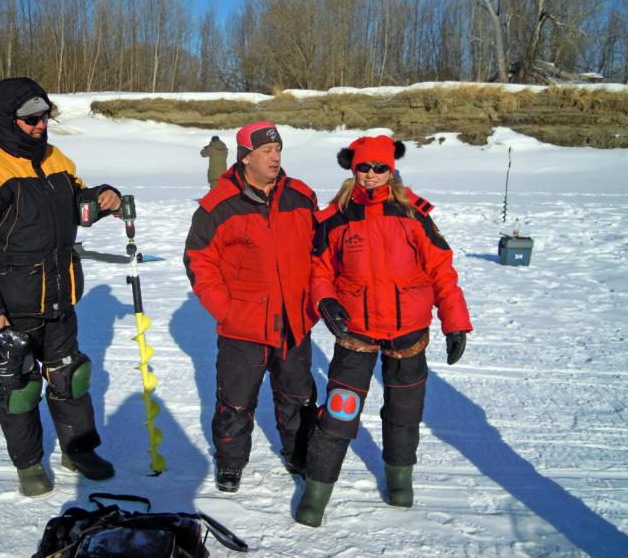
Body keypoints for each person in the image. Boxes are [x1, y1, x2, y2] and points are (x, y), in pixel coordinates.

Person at [0, 77, 121, 496]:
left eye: (44, 116)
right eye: (30, 119)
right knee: (21, 389)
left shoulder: (57, 160)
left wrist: (101, 199)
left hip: (59, 296)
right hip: (12, 306)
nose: (40, 125)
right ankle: (27, 464)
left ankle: (77, 449)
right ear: (7, 120)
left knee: (70, 378)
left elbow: (74, 207)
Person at [294, 135, 472, 526]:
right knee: (340, 412)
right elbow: (319, 270)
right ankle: (317, 491)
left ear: (391, 171)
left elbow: (442, 270)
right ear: (352, 169)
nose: (371, 175)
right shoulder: (336, 218)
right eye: (364, 167)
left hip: (408, 330)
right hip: (355, 330)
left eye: (380, 168)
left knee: (404, 412)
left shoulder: (413, 214)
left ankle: (399, 480)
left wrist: (455, 322)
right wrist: (326, 301)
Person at [184, 122, 319, 492]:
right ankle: (230, 461)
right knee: (236, 400)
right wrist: (225, 310)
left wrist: (314, 301)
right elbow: (198, 260)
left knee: (298, 395)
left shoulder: (301, 197)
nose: (275, 157)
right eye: (266, 152)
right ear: (246, 157)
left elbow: (319, 254)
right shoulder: (219, 205)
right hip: (243, 322)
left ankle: (298, 453)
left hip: (294, 320)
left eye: (278, 151)